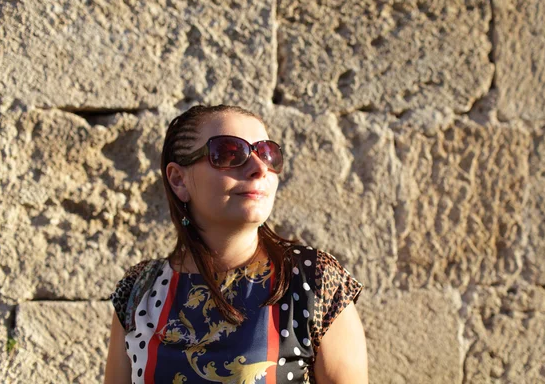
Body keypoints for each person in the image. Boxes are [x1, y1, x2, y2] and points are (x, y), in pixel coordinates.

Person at [104, 105, 368, 384]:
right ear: (179, 180)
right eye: (229, 153)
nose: (259, 168)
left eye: (267, 154)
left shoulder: (312, 279)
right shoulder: (139, 290)